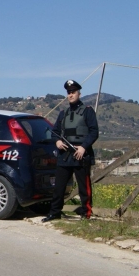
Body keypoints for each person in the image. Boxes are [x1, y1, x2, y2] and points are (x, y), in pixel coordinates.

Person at [42, 80, 99, 222]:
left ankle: (86, 213)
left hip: (81, 154)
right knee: (59, 186)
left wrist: (83, 147)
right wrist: (57, 142)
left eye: (73, 92)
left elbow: (94, 132)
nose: (71, 95)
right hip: (65, 155)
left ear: (79, 93)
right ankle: (55, 212)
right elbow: (55, 132)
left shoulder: (88, 111)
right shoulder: (63, 113)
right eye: (69, 92)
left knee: (84, 187)